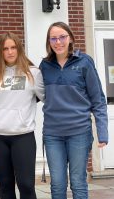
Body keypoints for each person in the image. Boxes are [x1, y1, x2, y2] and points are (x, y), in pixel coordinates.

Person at [39, 21, 108, 199]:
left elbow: (98, 99)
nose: (58, 42)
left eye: (62, 37)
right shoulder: (45, 66)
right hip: (53, 134)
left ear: (70, 38)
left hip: (79, 132)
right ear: (49, 42)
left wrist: (102, 132)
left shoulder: (84, 62)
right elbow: (36, 93)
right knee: (58, 184)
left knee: (78, 182)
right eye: (53, 38)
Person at [0, 32, 44, 199]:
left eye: (13, 47)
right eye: (5, 49)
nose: (9, 52)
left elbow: (47, 98)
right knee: (5, 186)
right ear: (0, 52)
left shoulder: (34, 73)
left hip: (23, 136)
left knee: (26, 185)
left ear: (19, 49)